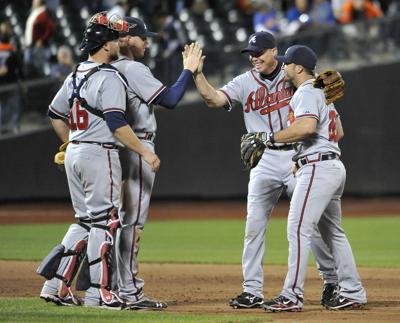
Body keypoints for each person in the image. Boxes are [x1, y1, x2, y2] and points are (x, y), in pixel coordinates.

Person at [192, 31, 340, 309]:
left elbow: (322, 91)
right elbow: (213, 99)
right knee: (254, 225)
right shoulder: (244, 81)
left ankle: (331, 280)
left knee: (312, 224)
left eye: (259, 52)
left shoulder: (293, 74)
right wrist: (197, 75)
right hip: (264, 159)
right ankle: (252, 290)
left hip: (298, 155)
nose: (254, 58)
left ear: (275, 51)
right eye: (250, 53)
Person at [37, 12, 160, 309]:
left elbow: (55, 114)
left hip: (75, 152)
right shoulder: (109, 76)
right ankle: (99, 292)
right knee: (106, 222)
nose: (119, 42)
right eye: (115, 38)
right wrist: (145, 151)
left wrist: (70, 142)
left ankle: (55, 286)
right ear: (105, 45)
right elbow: (117, 122)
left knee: (84, 222)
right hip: (98, 151)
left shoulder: (76, 72)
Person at [263, 45, 367, 311]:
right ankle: (353, 291)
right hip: (330, 166)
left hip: (319, 169)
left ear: (299, 68)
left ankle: (292, 296)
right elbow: (339, 132)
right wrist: (303, 153)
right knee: (334, 233)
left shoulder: (307, 92)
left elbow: (306, 127)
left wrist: (269, 137)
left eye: (287, 63)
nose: (283, 66)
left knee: (298, 229)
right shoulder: (323, 93)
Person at [111, 16, 202, 310]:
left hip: (117, 144)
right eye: (142, 37)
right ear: (125, 40)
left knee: (115, 220)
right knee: (132, 222)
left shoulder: (107, 68)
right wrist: (187, 70)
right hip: (137, 144)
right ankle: (130, 292)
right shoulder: (132, 67)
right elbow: (172, 98)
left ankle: (109, 285)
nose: (147, 42)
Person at [0, 21, 24, 134]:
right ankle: (12, 127)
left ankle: (4, 128)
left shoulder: (10, 50)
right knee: (11, 105)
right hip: (10, 82)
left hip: (4, 83)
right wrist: (22, 80)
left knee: (3, 105)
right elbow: (19, 68)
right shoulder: (12, 51)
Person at [24, 0, 56, 77]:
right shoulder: (35, 12)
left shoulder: (43, 13)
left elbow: (51, 28)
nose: (33, 1)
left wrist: (42, 40)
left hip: (39, 47)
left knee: (40, 70)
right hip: (30, 46)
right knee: (30, 70)